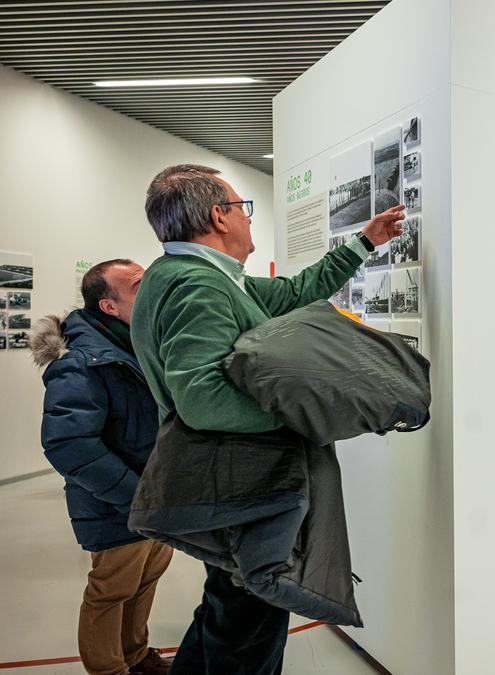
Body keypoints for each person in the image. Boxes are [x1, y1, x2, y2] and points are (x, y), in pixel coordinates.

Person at [130, 164, 406, 673]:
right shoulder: (199, 287)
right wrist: (308, 419)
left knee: (225, 613)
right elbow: (202, 398)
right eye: (243, 208)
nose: (248, 220)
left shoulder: (198, 278)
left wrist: (365, 242)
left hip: (225, 483)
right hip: (241, 486)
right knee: (250, 633)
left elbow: (295, 293)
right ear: (219, 216)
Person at [32, 260, 174, 675]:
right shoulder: (80, 361)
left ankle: (135, 655)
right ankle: (108, 669)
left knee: (145, 581)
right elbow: (68, 445)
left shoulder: (140, 344)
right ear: (109, 305)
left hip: (156, 498)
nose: (152, 288)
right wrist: (135, 495)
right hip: (120, 502)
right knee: (111, 590)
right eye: (138, 284)